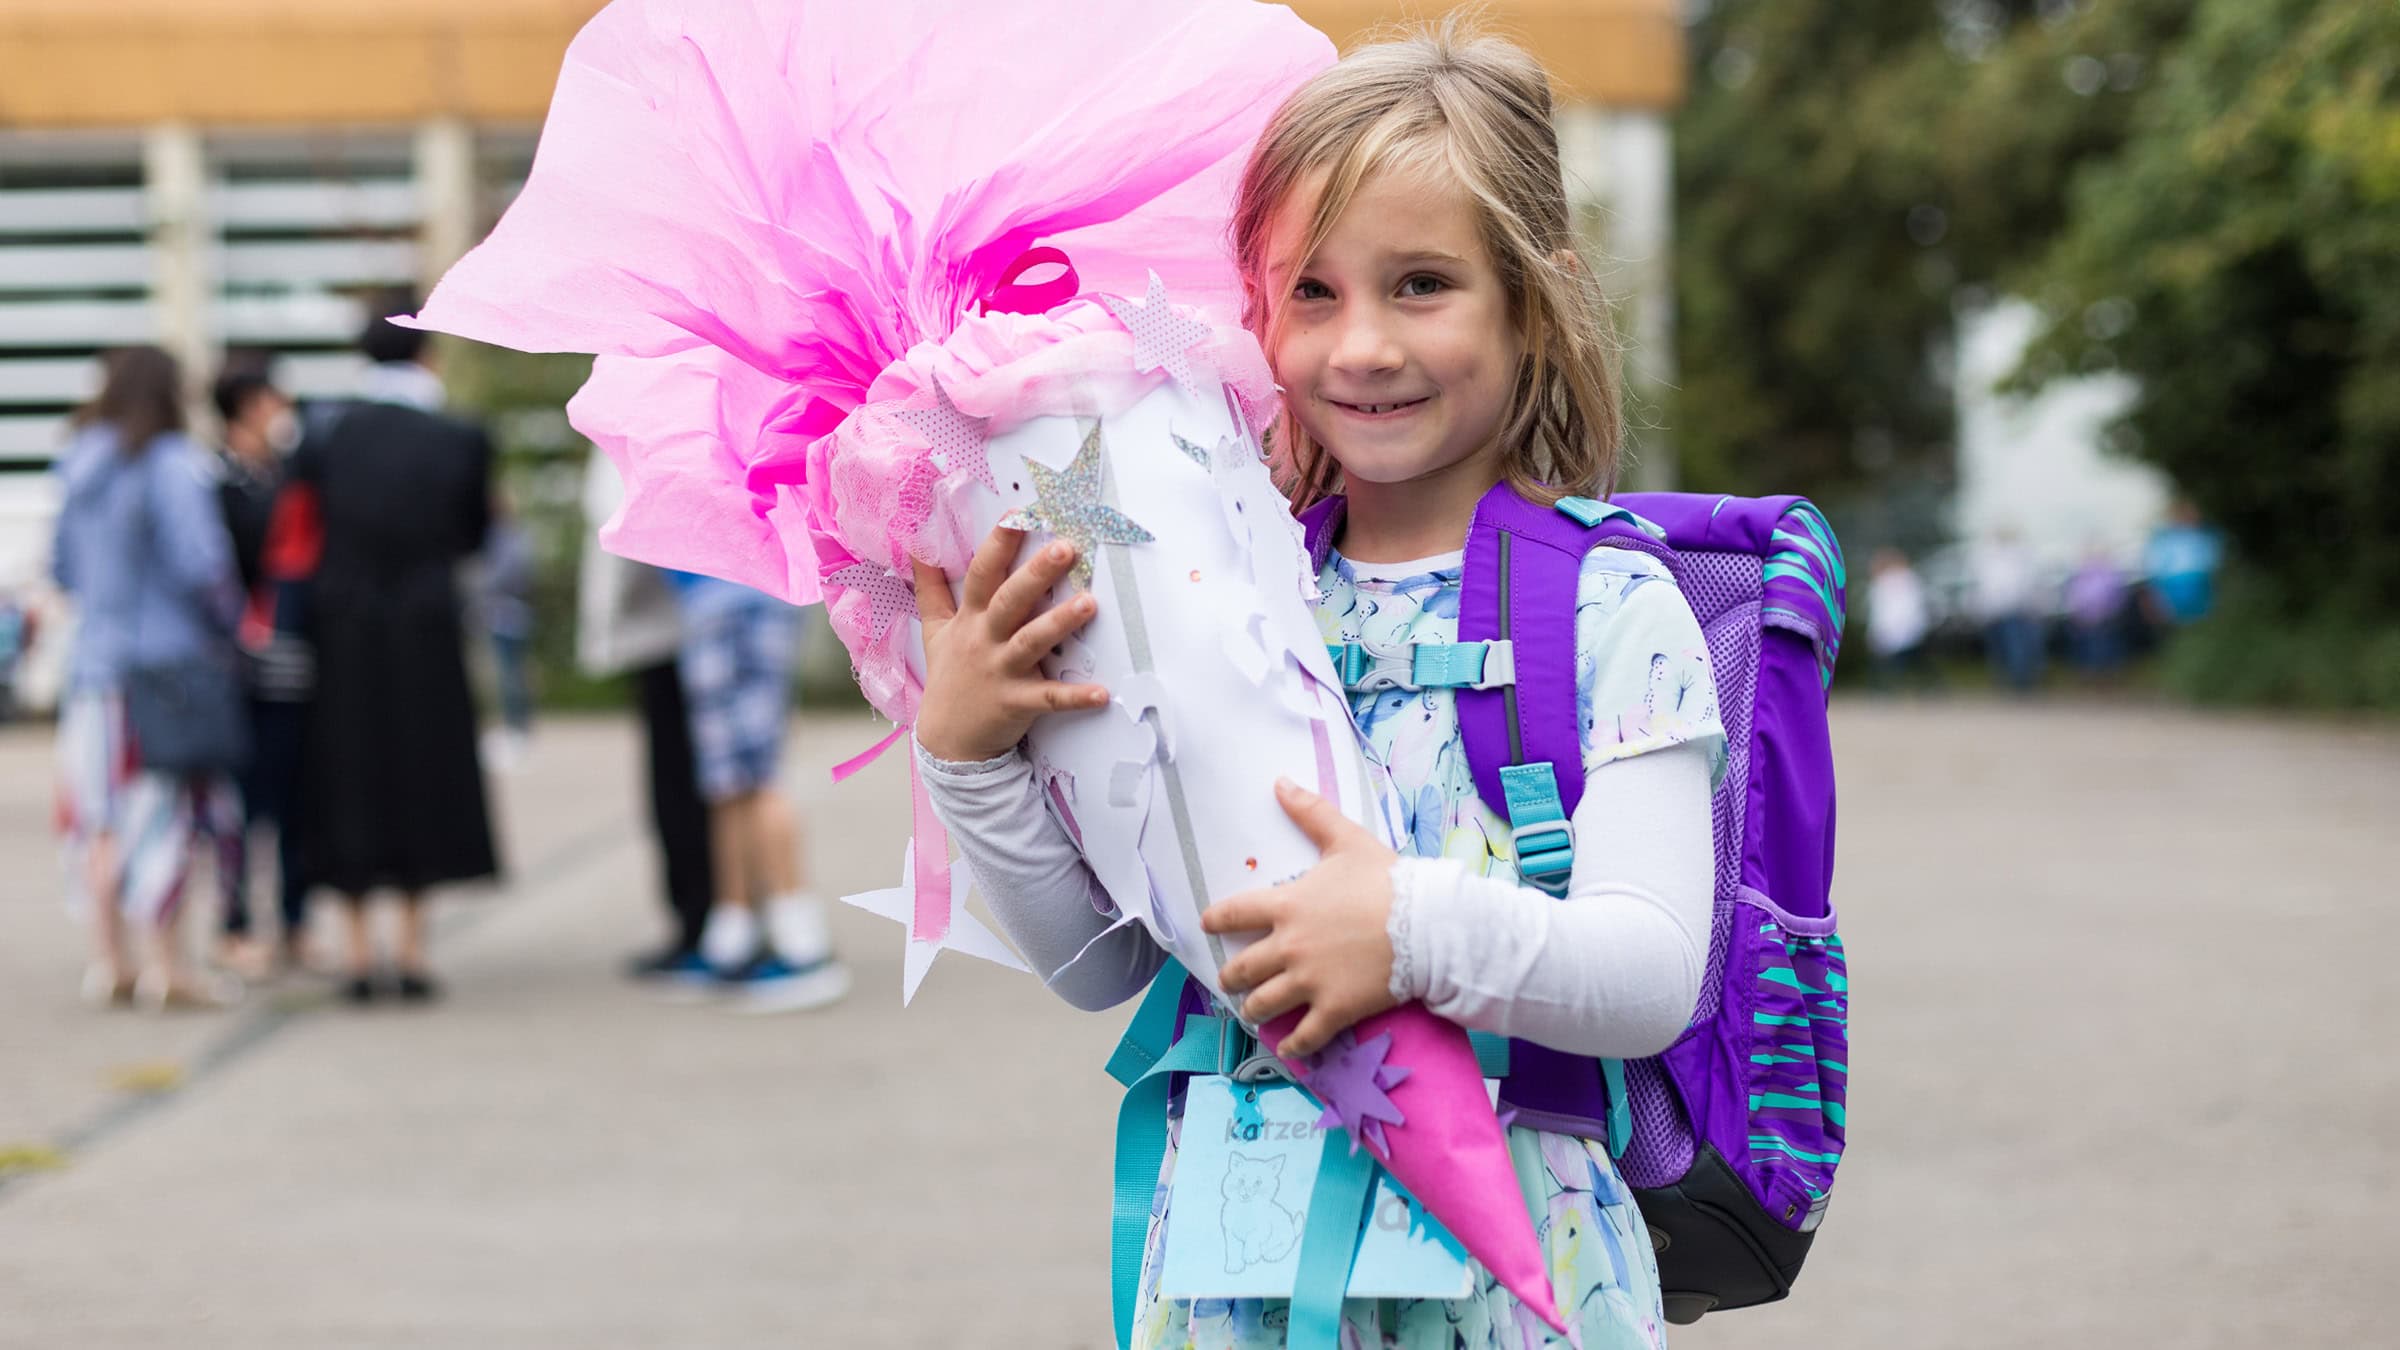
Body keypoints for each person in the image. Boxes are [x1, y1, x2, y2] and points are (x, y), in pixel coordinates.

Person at [910, 26, 1714, 1347]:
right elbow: (1105, 961)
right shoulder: (1202, 593)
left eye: (1422, 284)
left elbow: (1648, 971)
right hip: (1236, 1284)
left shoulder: (1610, 612)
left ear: (1534, 297)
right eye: (1314, 292)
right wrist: (968, 753)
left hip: (1521, 1277)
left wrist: (1406, 927)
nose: (1363, 345)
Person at [296, 298, 501, 1004]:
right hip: (426, 627)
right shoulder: (460, 438)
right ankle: (411, 950)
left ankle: (357, 953)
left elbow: (301, 534)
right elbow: (474, 538)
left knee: (350, 779)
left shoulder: (323, 437)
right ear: (427, 356)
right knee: (422, 775)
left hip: (344, 631)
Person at [49, 346, 246, 1011]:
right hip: (167, 670)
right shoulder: (170, 465)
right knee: (166, 814)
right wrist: (231, 626)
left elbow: (65, 571)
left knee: (98, 820)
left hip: (92, 670)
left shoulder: (77, 465)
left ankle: (110, 964)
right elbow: (203, 565)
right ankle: (170, 967)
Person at [668, 571, 849, 1011]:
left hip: (741, 598)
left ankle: (804, 945)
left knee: (758, 773)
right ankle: (733, 934)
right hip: (713, 602)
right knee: (726, 779)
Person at [573, 453, 718, 980]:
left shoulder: (652, 421)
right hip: (676, 629)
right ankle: (712, 918)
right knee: (691, 783)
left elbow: (623, 526)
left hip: (679, 627)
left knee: (686, 785)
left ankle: (704, 921)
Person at [208, 361, 313, 976]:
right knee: (241, 807)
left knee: (298, 797)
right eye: (274, 397)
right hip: (236, 666)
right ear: (248, 404)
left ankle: (296, 921)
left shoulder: (287, 473)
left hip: (293, 662)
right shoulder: (214, 479)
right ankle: (236, 925)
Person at [477, 492, 538, 770]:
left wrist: (484, 583)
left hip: (510, 615)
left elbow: (510, 573)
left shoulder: (511, 538)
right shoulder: (497, 536)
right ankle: (514, 727)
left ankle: (520, 729)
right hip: (495, 615)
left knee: (512, 676)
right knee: (504, 676)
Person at [1972, 526, 2045, 693]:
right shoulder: (1988, 556)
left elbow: (2025, 582)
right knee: (2000, 651)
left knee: (2017, 649)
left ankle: (2021, 684)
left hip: (2015, 608)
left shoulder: (2019, 555)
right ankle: (2007, 683)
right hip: (1993, 610)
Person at [2143, 497, 2223, 628]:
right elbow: (2156, 565)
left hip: (2198, 581)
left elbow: (2212, 560)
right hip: (2174, 584)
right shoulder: (2164, 538)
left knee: (2202, 619)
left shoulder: (2204, 535)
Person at [1865, 546, 1933, 691]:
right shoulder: (1882, 584)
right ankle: (1884, 689)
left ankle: (1885, 690)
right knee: (1908, 662)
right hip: (1894, 630)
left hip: (1903, 629)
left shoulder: (1902, 581)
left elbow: (1902, 609)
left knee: (1906, 662)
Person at [2062, 543, 2130, 680]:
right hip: (2085, 617)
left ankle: (2103, 672)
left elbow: (2117, 596)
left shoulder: (2109, 574)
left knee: (2103, 641)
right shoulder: (2081, 574)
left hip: (2105, 616)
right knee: (2088, 642)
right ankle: (2091, 671)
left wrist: (2107, 611)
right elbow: (2073, 596)